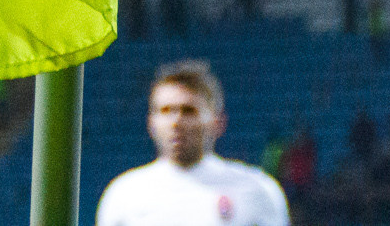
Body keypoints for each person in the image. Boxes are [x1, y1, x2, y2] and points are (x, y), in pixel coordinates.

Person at [97, 61, 289, 226]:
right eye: (165, 110)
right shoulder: (124, 195)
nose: (176, 122)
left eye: (188, 111)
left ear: (218, 122)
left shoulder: (257, 191)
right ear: (151, 122)